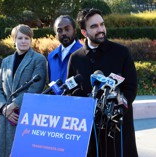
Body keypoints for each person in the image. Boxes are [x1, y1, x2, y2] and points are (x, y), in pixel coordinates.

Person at [67, 8, 138, 157]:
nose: (101, 29)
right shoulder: (75, 58)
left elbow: (131, 88)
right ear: (84, 32)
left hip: (117, 128)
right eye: (94, 26)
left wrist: (115, 110)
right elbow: (72, 91)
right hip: (89, 131)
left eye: (102, 24)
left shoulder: (121, 52)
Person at [0, 24, 47, 157]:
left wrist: (14, 104)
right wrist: (3, 108)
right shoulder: (6, 61)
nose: (23, 41)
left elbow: (36, 87)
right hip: (6, 117)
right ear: (14, 40)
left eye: (27, 38)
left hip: (25, 116)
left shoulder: (38, 59)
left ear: (31, 40)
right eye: (20, 38)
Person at [47, 15, 82, 82]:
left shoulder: (84, 54)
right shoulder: (51, 56)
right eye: (59, 31)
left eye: (67, 29)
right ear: (56, 35)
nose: (64, 33)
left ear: (75, 30)